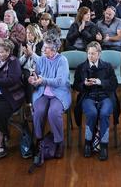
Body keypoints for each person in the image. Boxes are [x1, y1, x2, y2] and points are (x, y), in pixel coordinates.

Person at [28, 33, 71, 165]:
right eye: (44, 47)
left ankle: (59, 142)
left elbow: (60, 81)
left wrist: (42, 80)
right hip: (43, 92)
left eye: (46, 48)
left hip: (60, 93)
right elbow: (36, 74)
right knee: (38, 111)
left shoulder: (62, 60)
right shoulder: (42, 59)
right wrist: (33, 79)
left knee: (54, 112)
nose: (43, 50)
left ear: (54, 49)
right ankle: (39, 139)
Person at [73, 41, 118, 161]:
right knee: (92, 113)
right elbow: (76, 86)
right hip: (88, 96)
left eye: (93, 54)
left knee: (104, 114)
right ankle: (88, 143)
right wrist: (84, 84)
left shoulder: (107, 66)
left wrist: (100, 82)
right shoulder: (81, 67)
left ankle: (104, 145)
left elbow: (114, 84)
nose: (90, 56)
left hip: (105, 96)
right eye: (88, 53)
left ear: (99, 54)